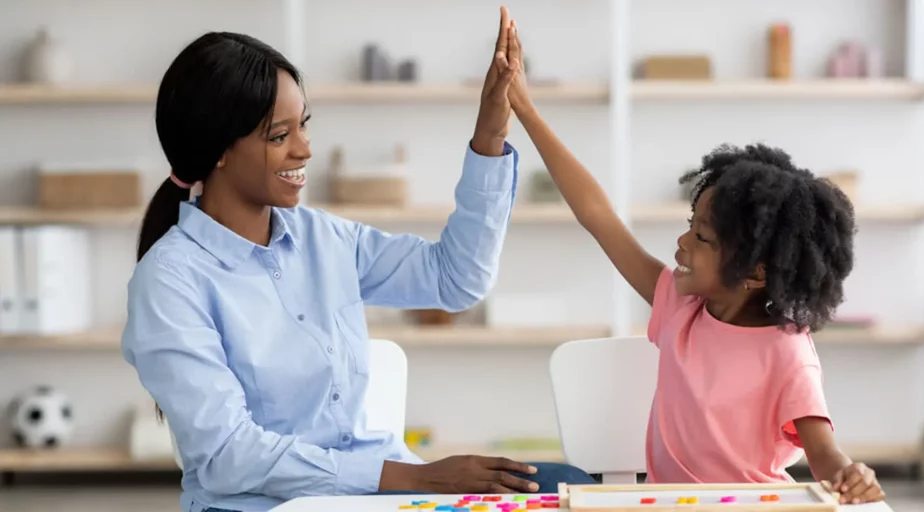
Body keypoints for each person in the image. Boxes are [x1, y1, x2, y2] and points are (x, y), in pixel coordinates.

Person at [120, 8, 592, 512]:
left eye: (303, 126)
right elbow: (228, 453)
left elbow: (456, 280)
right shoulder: (170, 280)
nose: (304, 150)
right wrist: (411, 478)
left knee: (568, 485)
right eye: (279, 136)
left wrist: (489, 139)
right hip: (261, 505)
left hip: (375, 496)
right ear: (217, 150)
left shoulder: (324, 237)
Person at [499, 23, 884, 505]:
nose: (681, 243)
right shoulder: (680, 306)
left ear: (756, 272)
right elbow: (598, 217)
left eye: (702, 237)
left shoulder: (788, 352)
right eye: (690, 224)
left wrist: (853, 475)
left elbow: (824, 453)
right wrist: (527, 110)